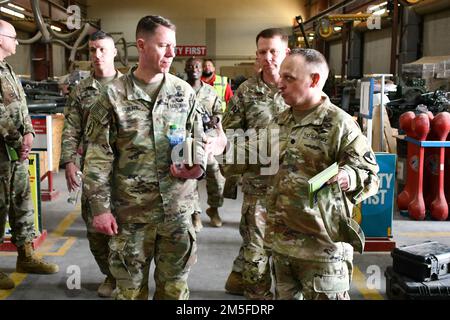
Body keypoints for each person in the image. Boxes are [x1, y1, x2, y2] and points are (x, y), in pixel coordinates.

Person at [82, 15, 208, 300]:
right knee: (128, 292)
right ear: (141, 45)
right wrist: (100, 208)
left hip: (177, 212)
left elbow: (198, 138)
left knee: (174, 290)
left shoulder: (183, 92)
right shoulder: (112, 96)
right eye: (163, 46)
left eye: (173, 46)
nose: (172, 53)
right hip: (131, 215)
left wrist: (196, 167)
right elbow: (98, 157)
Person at [268, 48, 379, 299]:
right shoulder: (281, 121)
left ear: (314, 80)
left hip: (323, 253)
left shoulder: (339, 124)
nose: (279, 83)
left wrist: (348, 176)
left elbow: (370, 174)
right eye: (280, 76)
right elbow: (255, 156)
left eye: (289, 78)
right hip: (283, 247)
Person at [221, 28, 290, 299]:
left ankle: (239, 278)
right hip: (258, 184)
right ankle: (257, 296)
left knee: (287, 248)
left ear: (287, 52)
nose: (268, 57)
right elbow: (230, 137)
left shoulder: (297, 86)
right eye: (263, 52)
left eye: (274, 51)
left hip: (292, 185)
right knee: (256, 248)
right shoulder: (246, 92)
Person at [60, 30, 122, 297]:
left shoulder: (130, 86)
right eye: (93, 50)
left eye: (102, 49)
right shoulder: (81, 90)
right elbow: (71, 129)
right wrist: (69, 162)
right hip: (94, 173)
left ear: (114, 52)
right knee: (96, 229)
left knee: (125, 229)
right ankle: (109, 274)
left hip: (127, 170)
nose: (97, 55)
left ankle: (125, 277)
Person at [0, 19, 59, 290]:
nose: (17, 42)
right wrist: (17, 138)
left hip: (15, 153)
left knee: (22, 204)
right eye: (13, 37)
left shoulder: (8, 69)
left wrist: (29, 135)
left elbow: (21, 107)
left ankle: (25, 256)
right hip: (3, 153)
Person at [185, 57, 225, 231]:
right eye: (191, 66)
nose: (194, 69)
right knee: (190, 176)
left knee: (215, 173)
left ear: (202, 70)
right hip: (186, 139)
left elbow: (219, 111)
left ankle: (214, 209)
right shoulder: (179, 89)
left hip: (207, 139)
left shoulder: (210, 91)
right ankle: (195, 214)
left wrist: (216, 120)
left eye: (197, 66)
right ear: (185, 69)